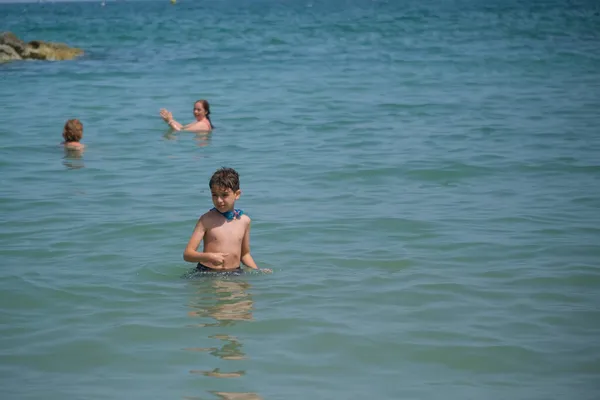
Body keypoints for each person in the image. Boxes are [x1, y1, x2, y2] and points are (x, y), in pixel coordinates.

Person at [183, 167, 271, 274]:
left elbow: (245, 255)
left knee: (248, 291)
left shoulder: (244, 221)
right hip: (208, 272)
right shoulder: (206, 219)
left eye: (224, 195)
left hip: (235, 272)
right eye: (214, 195)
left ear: (237, 194)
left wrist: (257, 271)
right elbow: (188, 254)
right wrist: (209, 256)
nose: (219, 200)